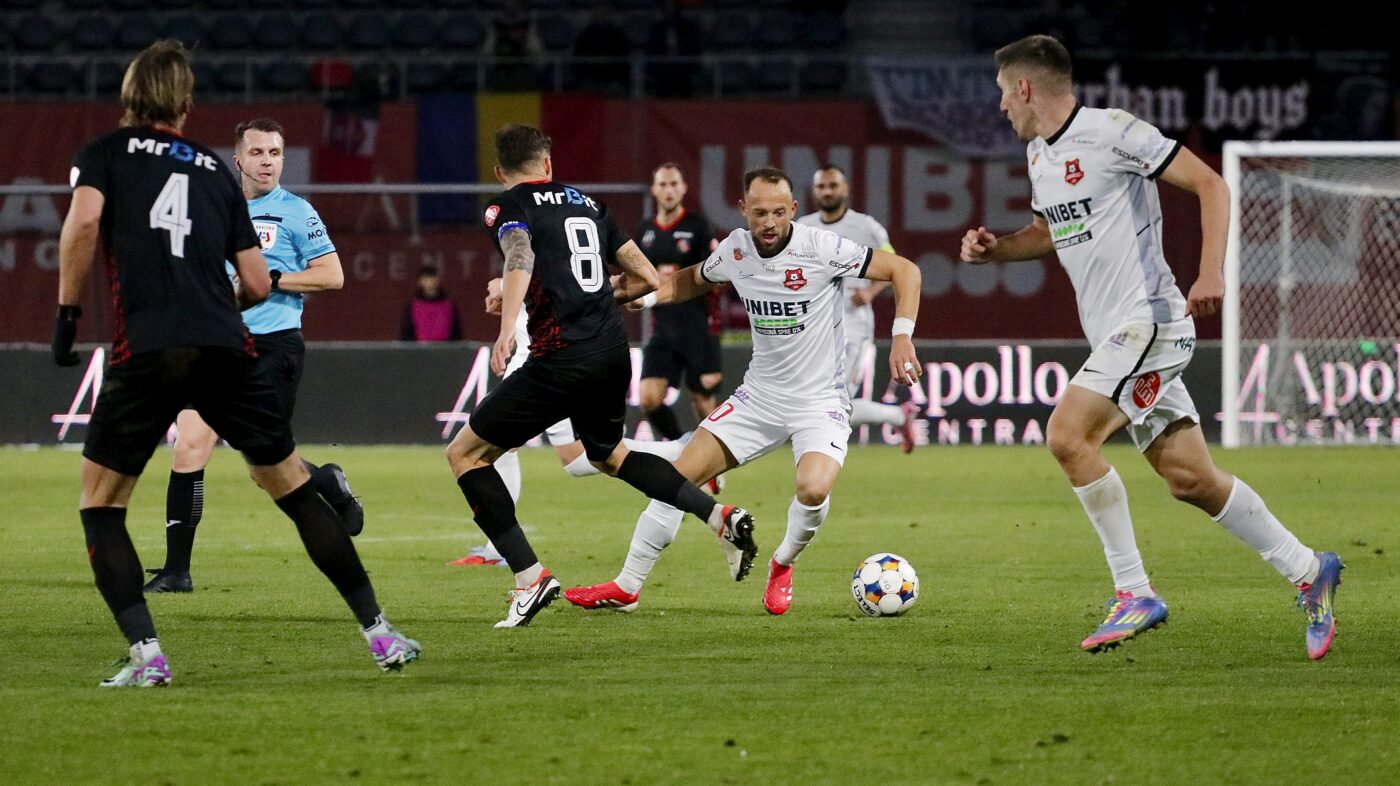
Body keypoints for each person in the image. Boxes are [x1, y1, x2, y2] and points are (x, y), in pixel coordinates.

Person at [960, 35, 1342, 658]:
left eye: (1003, 93)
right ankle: (1309, 569)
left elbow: (1212, 185)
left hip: (1151, 322)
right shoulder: (1038, 155)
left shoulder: (1115, 131)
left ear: (1026, 87)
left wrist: (1211, 271)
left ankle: (1134, 591)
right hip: (1121, 335)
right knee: (1190, 478)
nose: (1001, 106)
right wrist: (998, 250)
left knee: (1067, 436)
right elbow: (1049, 231)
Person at [54, 41, 417, 687]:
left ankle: (148, 655)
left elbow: (82, 229)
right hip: (229, 345)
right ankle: (381, 634)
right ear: (186, 103)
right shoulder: (215, 173)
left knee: (101, 502)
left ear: (129, 95)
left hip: (150, 347)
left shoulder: (104, 154)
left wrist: (66, 314)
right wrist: (220, 303)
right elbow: (254, 280)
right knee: (292, 488)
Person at [565, 166, 923, 615]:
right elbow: (692, 279)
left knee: (812, 489)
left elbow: (904, 270)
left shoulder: (822, 248)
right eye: (759, 213)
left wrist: (903, 334)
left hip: (819, 402)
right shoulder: (736, 249)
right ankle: (627, 586)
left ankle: (782, 563)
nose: (769, 222)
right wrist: (650, 297)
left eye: (778, 212)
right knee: (674, 480)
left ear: (794, 210)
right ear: (743, 211)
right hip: (759, 398)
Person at [445, 124, 754, 627]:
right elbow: (648, 278)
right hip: (612, 352)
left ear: (501, 173)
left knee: (466, 454)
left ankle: (529, 578)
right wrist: (583, 293)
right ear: (548, 164)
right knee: (608, 454)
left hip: (560, 356)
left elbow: (519, 253)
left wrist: (506, 326)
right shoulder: (588, 203)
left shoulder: (505, 207)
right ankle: (718, 516)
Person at [143, 117, 365, 595]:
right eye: (259, 153)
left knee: (266, 471)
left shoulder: (295, 212)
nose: (268, 162)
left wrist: (274, 280)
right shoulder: (212, 211)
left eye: (276, 153)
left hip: (272, 347)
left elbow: (333, 276)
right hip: (214, 345)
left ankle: (327, 482)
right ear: (238, 159)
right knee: (188, 447)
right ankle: (176, 571)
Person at [451, 276, 691, 567]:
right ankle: (680, 449)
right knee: (572, 459)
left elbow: (544, 272)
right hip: (542, 353)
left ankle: (682, 450)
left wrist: (503, 285)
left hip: (543, 361)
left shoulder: (535, 235)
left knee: (489, 445)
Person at [796, 164, 921, 453]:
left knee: (839, 401)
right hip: (814, 326)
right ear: (814, 192)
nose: (827, 191)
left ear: (846, 188)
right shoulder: (803, 227)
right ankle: (900, 415)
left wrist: (871, 290)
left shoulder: (866, 227)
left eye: (833, 185)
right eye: (821, 187)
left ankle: (824, 455)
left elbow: (896, 267)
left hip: (853, 324)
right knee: (826, 403)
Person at [636, 164, 724, 444]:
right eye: (662, 184)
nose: (669, 190)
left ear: (684, 188)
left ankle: (714, 464)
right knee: (648, 398)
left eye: (674, 184)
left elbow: (715, 276)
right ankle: (680, 445)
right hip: (663, 330)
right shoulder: (645, 231)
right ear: (654, 189)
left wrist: (673, 280)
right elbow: (636, 276)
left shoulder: (698, 227)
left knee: (703, 403)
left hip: (698, 327)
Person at [400, 265, 464, 342]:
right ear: (419, 282)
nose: (429, 282)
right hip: (420, 351)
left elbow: (456, 331)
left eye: (432, 278)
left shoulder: (449, 305)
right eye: (425, 279)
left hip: (445, 350)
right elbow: (406, 333)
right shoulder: (412, 306)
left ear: (438, 280)